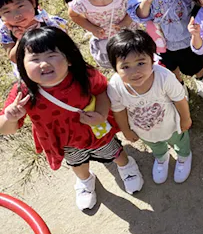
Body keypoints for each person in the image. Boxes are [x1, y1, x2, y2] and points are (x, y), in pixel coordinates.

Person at [0, 27, 143, 210]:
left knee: (113, 151)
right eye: (34, 59)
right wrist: (10, 117)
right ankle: (85, 181)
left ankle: (127, 167)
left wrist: (100, 114)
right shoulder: (23, 92)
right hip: (64, 141)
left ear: (68, 58)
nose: (43, 64)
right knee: (77, 162)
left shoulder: (84, 75)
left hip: (95, 131)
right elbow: (6, 129)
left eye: (51, 55)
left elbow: (101, 92)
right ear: (22, 64)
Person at [107, 29, 193, 184]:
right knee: (155, 145)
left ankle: (184, 156)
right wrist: (126, 130)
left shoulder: (164, 77)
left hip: (171, 124)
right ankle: (161, 157)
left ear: (152, 60)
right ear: (115, 68)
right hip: (143, 130)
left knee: (179, 140)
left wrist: (185, 119)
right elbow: (118, 110)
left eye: (141, 63)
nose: (135, 72)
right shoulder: (115, 86)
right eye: (125, 66)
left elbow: (179, 99)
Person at [0, 0, 66, 71]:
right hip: (29, 72)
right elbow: (14, 58)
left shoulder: (46, 21)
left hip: (55, 66)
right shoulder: (6, 30)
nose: (17, 15)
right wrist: (20, 39)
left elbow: (65, 45)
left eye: (20, 6)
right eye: (7, 11)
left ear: (33, 2)